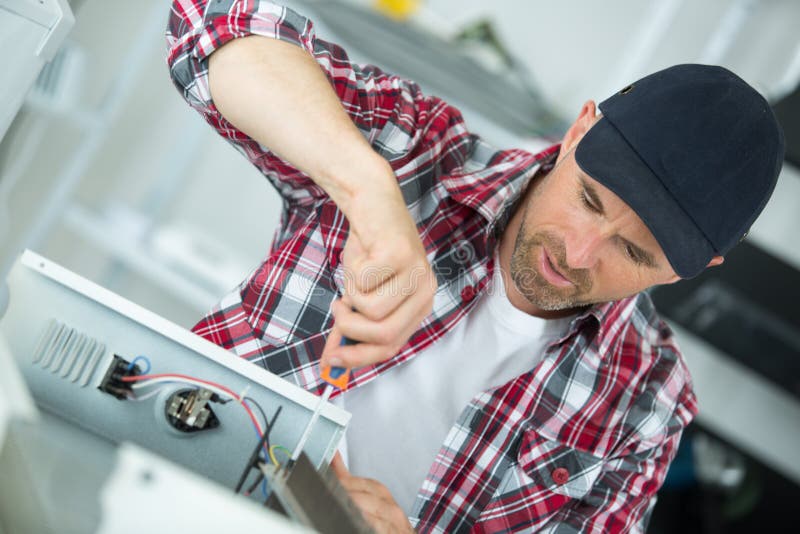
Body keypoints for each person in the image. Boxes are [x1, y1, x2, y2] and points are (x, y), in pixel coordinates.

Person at [165, 1, 784, 532]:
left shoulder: (647, 405)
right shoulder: (417, 154)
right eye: (589, 199)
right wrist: (367, 190)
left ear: (693, 269)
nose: (577, 253)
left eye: (634, 252)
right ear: (578, 132)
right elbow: (212, 21)